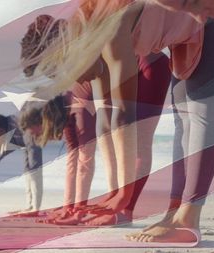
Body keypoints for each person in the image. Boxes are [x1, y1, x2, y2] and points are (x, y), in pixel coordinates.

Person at [25, 0, 214, 244]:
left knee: (199, 112)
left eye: (66, 72)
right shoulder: (88, 31)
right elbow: (107, 118)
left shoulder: (108, 29)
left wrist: (124, 197)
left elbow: (125, 115)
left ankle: (189, 218)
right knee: (182, 119)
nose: (73, 81)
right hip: (184, 33)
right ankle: (175, 214)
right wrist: (115, 193)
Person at [21, 14, 172, 226]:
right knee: (108, 135)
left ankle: (124, 211)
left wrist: (79, 210)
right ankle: (114, 205)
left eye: (53, 70)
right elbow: (102, 129)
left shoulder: (90, 47)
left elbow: (90, 154)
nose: (57, 76)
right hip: (119, 71)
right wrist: (79, 206)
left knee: (140, 142)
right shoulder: (82, 68)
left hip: (150, 69)